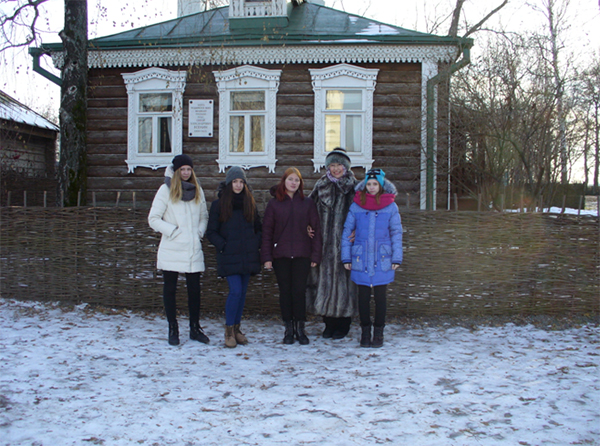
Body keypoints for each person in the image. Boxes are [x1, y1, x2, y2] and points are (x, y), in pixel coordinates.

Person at [148, 154, 210, 346]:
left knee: (194, 290)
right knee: (170, 289)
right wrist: (173, 231)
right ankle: (173, 328)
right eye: (182, 169)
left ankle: (195, 328)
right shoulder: (165, 190)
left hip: (192, 248)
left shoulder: (197, 189)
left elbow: (204, 216)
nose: (185, 173)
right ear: (176, 171)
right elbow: (153, 218)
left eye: (188, 169)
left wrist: (198, 232)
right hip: (172, 247)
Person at [341, 168, 403, 348]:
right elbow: (347, 232)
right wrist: (346, 257)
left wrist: (396, 257)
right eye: (369, 184)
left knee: (380, 298)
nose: (372, 187)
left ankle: (379, 333)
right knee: (363, 298)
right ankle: (365, 332)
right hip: (360, 258)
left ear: (381, 185)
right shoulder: (356, 205)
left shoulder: (391, 206)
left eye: (375, 184)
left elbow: (396, 232)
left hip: (382, 257)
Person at [261, 167, 323, 345]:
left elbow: (316, 230)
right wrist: (267, 257)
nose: (293, 183)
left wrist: (315, 255)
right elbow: (267, 232)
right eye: (290, 179)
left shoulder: (307, 203)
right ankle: (288, 329)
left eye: (297, 180)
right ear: (284, 181)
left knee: (299, 292)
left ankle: (300, 328)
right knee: (285, 292)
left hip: (302, 254)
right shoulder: (274, 204)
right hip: (280, 255)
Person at [206, 166, 262, 348]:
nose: (238, 185)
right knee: (235, 291)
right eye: (235, 182)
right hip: (229, 257)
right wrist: (224, 246)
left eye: (241, 182)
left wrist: (255, 243)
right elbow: (211, 232)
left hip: (247, 255)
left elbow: (259, 228)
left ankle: (237, 329)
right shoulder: (219, 204)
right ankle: (229, 330)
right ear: (229, 183)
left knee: (242, 293)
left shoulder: (250, 203)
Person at [306, 147, 358, 339]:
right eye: (332, 165)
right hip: (324, 245)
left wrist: (358, 231)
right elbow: (307, 209)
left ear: (346, 167)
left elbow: (364, 213)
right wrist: (307, 226)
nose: (336, 169)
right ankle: (328, 324)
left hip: (346, 246)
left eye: (339, 165)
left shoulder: (354, 187)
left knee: (345, 284)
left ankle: (343, 325)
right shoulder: (321, 186)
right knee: (324, 282)